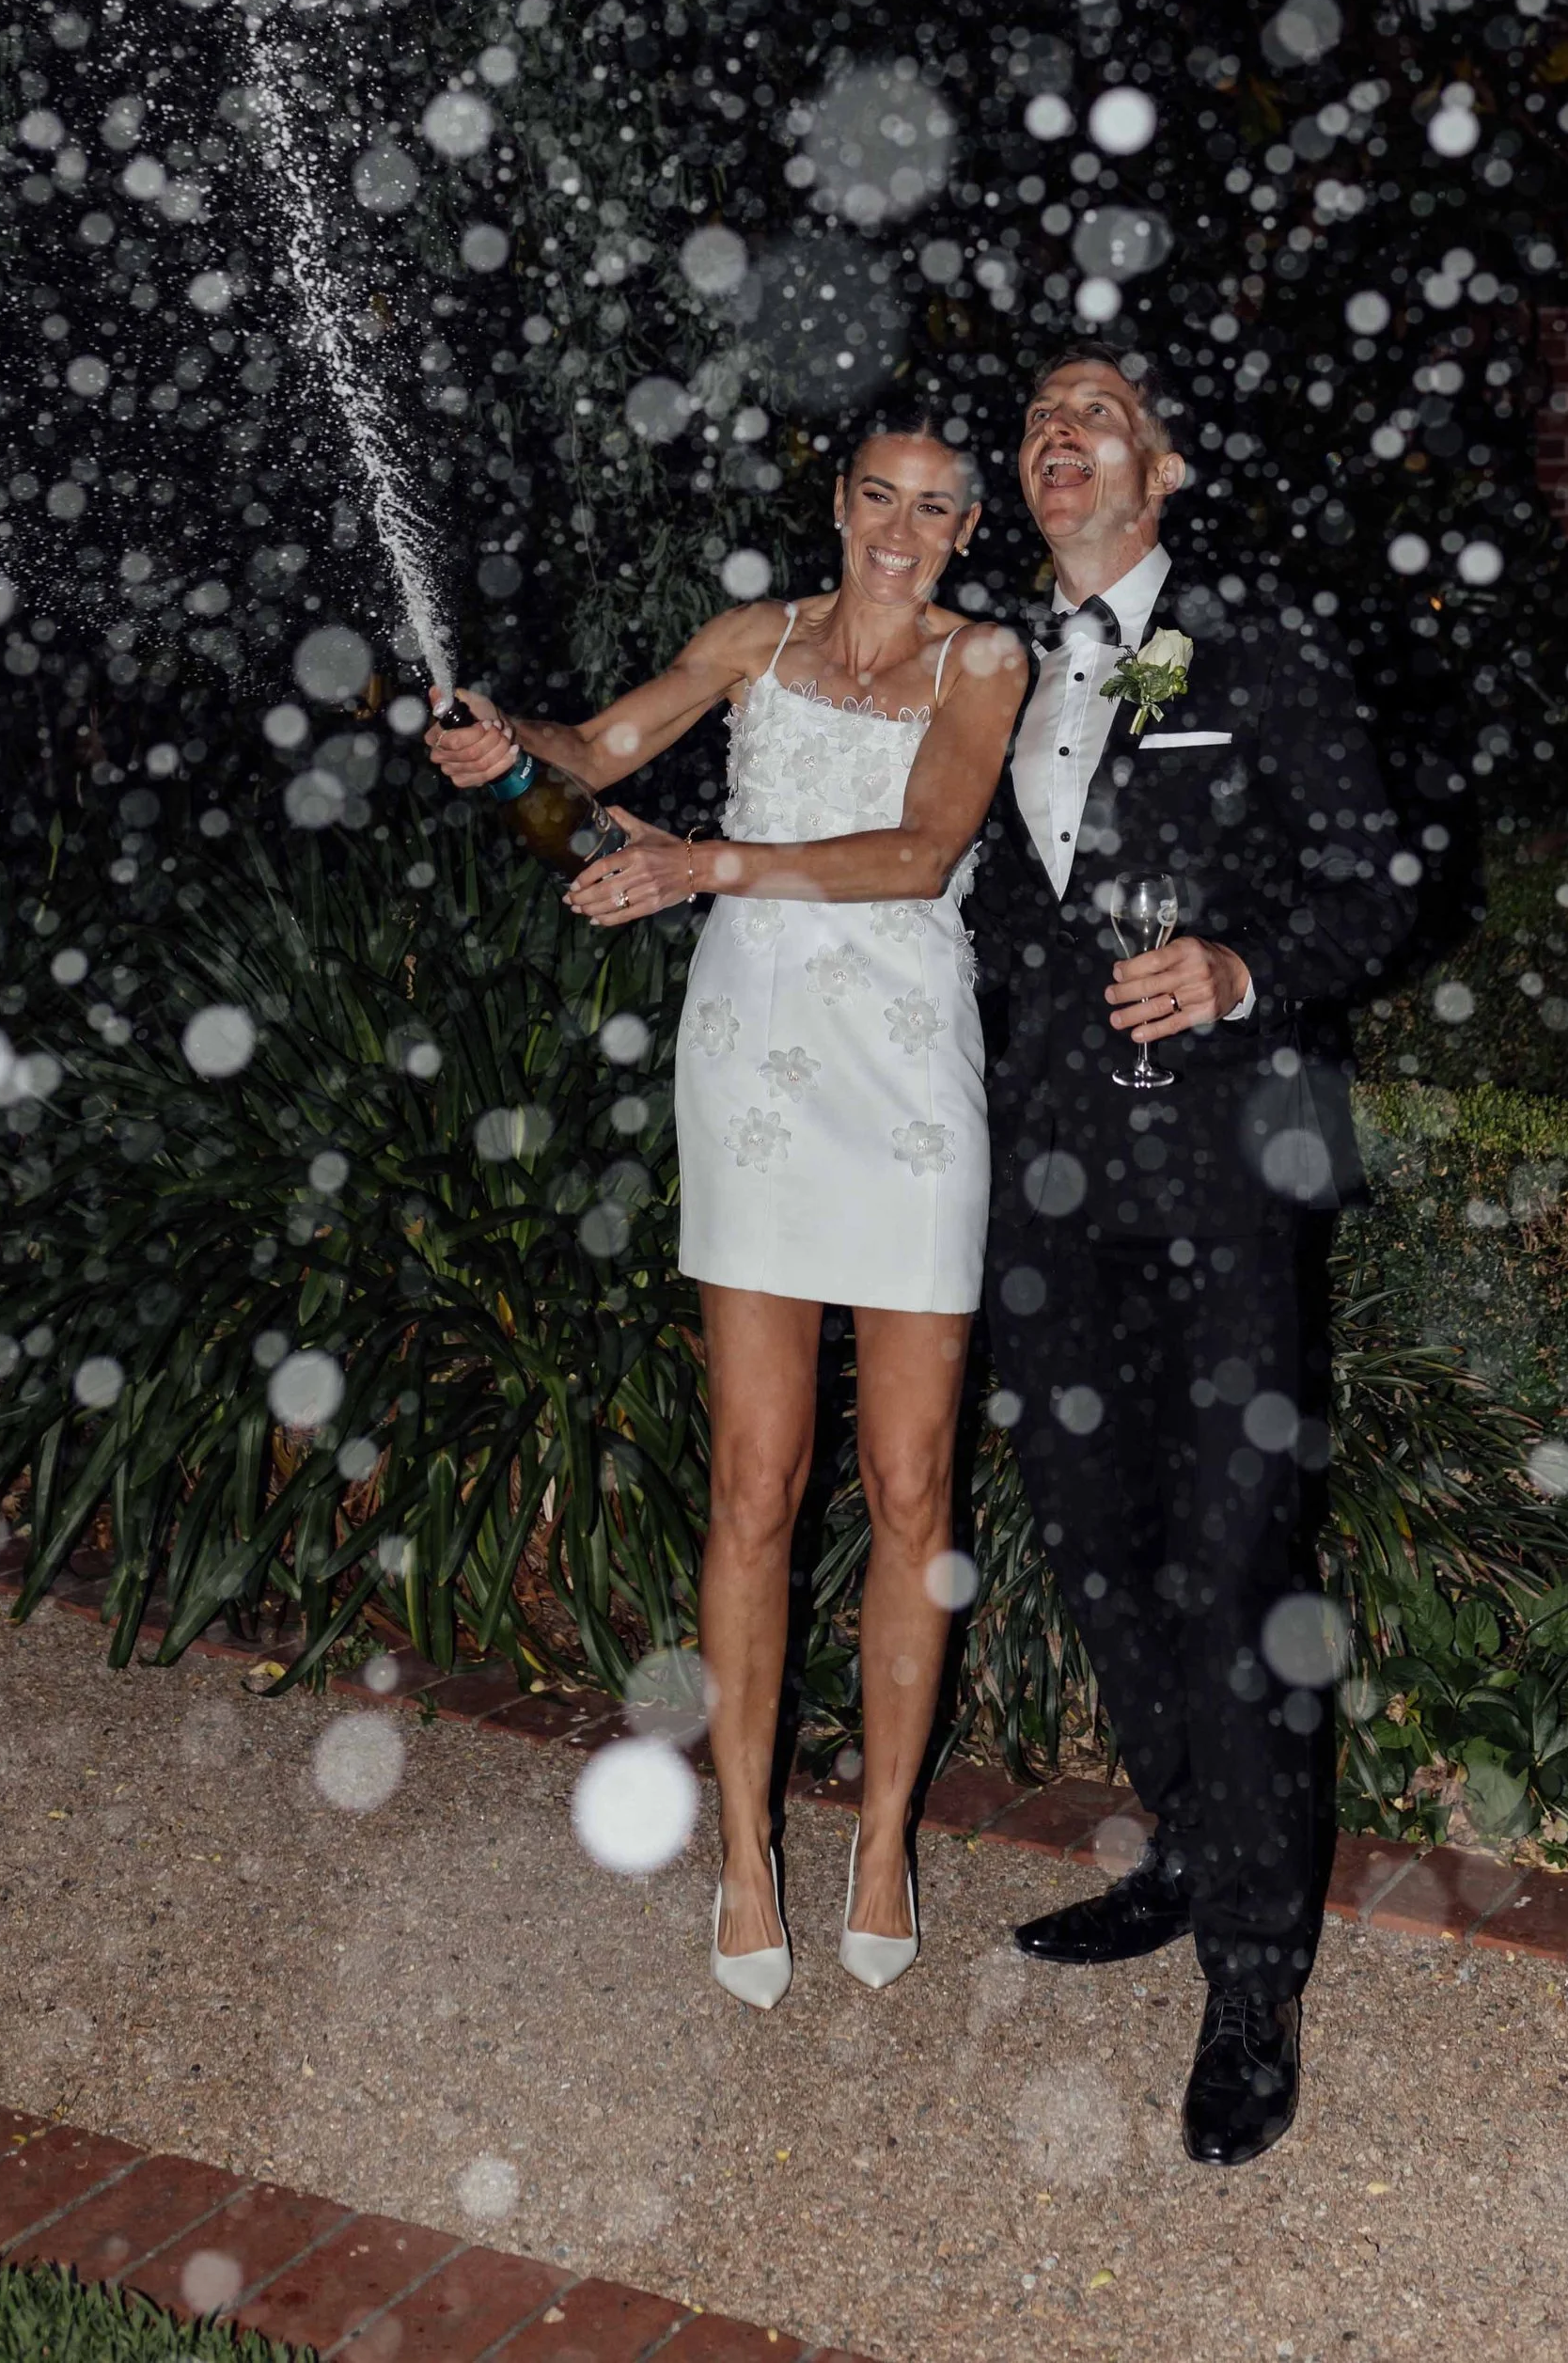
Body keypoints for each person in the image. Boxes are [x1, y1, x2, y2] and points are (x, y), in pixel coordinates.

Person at [428, 408, 1026, 2009]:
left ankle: (884, 1831)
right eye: (877, 499)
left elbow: (920, 851)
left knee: (911, 1483)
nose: (901, 532)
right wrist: (509, 738)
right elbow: (603, 750)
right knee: (755, 1480)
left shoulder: (985, 667)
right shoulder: (751, 639)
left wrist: (708, 865)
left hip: (906, 1087)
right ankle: (750, 1849)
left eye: (934, 509)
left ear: (970, 530)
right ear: (836, 504)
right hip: (757, 1075)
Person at [969, 348, 1417, 2166]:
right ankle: (1184, 1843)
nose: (1054, 437)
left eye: (1091, 413)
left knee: (1235, 1572)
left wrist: (1244, 970)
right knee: (1094, 1542)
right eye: (1035, 425)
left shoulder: (1261, 652)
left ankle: (1255, 1971)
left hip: (1225, 1183)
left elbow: (1380, 876)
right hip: (1049, 1189)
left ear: (1162, 467)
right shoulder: (983, 672)